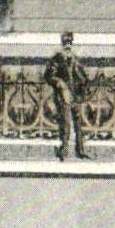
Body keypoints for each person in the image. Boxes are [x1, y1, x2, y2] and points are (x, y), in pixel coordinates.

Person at [43, 31, 90, 161]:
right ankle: (63, 151)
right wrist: (60, 83)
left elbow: (83, 77)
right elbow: (48, 75)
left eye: (70, 43)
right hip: (63, 96)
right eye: (65, 43)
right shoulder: (57, 59)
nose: (67, 46)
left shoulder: (75, 59)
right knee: (65, 124)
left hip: (76, 96)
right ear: (62, 44)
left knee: (79, 124)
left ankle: (81, 150)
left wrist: (83, 85)